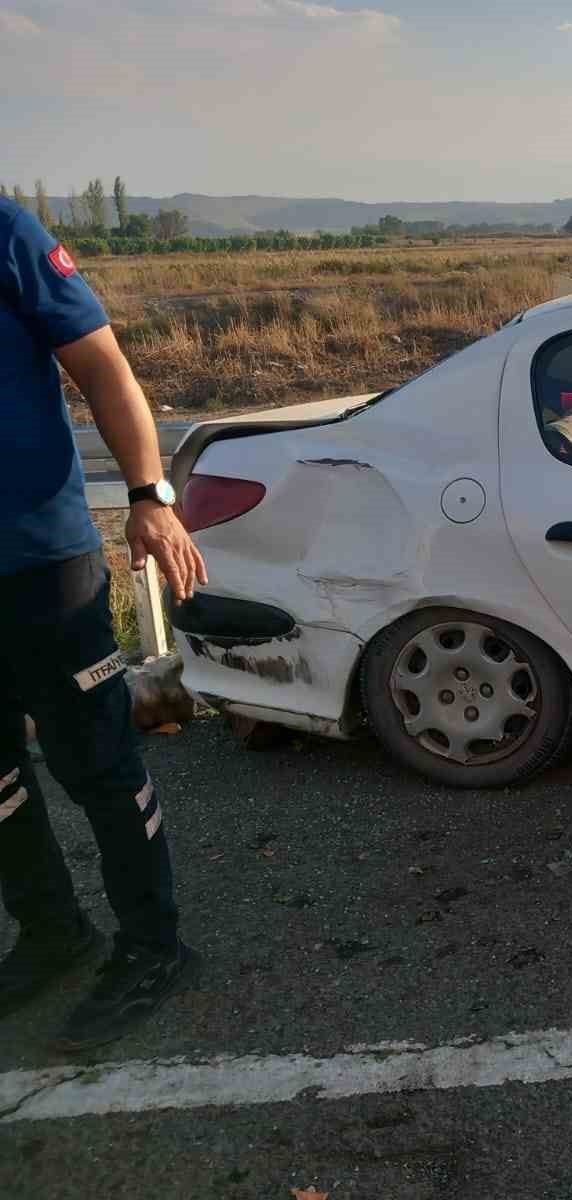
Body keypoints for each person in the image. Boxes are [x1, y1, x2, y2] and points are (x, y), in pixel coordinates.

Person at [0, 195, 208, 1051]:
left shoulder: (7, 231)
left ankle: (153, 944)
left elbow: (103, 366)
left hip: (41, 561)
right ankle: (53, 934)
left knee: (97, 762)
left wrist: (149, 496)